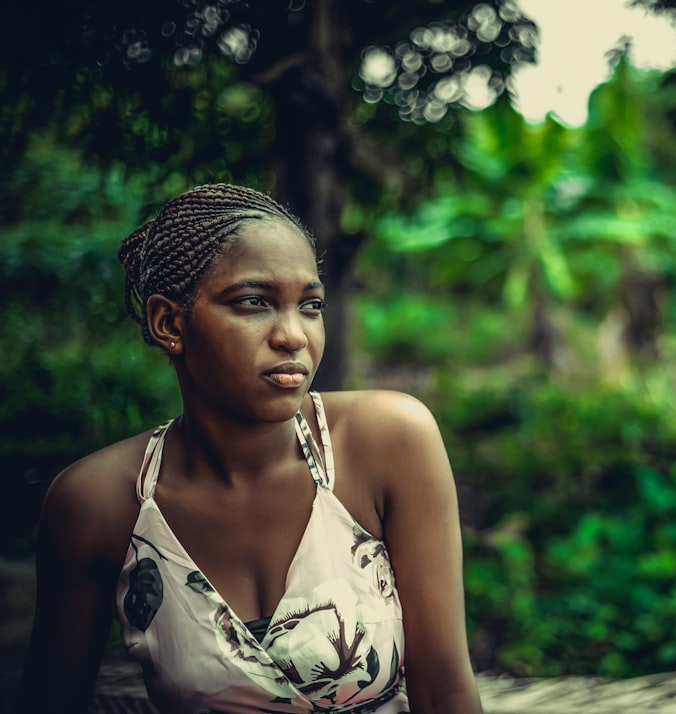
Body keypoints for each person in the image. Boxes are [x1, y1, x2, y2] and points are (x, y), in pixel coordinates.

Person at [16, 184, 482, 713]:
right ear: (168, 323)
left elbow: (445, 690)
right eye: (253, 303)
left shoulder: (388, 442)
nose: (293, 336)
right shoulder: (99, 503)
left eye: (310, 305)